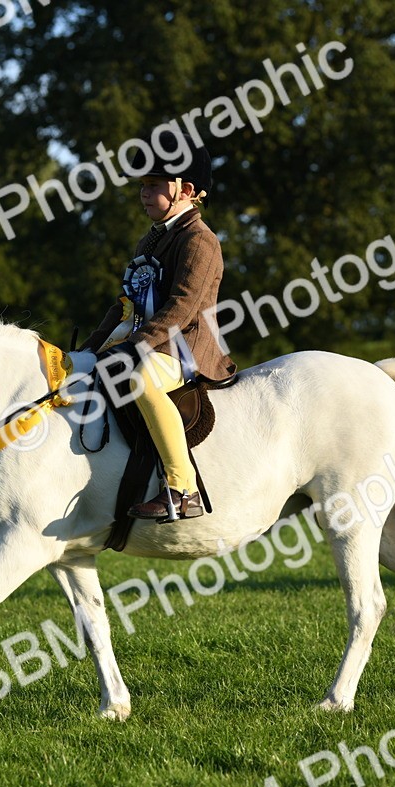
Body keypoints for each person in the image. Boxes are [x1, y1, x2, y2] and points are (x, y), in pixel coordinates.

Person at [69, 133, 236, 521]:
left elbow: (181, 308)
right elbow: (126, 302)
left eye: (154, 185)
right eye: (142, 186)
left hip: (185, 349)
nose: (144, 194)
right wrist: (89, 350)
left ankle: (182, 489)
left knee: (143, 380)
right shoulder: (151, 239)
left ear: (186, 190)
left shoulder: (200, 241)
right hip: (150, 342)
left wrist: (134, 346)